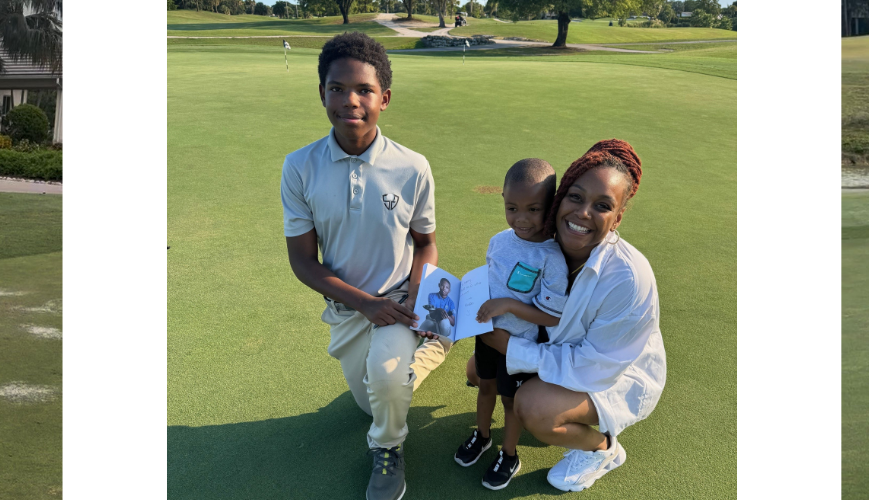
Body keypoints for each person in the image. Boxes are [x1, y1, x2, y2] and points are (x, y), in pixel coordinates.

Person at [280, 31, 451, 500]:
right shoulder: (299, 167)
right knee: (370, 402)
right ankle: (435, 345)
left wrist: (415, 296)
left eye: (364, 90)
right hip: (348, 309)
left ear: (384, 99)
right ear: (322, 93)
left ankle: (387, 449)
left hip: (397, 302)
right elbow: (302, 261)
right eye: (337, 88)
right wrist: (363, 304)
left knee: (389, 384)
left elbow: (427, 245)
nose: (350, 100)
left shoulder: (413, 166)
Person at [476, 139, 665, 492]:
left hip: (611, 374)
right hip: (560, 350)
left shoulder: (629, 278)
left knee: (532, 407)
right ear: (559, 199)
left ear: (618, 217)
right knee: (478, 371)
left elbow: (594, 366)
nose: (583, 213)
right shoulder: (537, 242)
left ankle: (602, 448)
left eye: (602, 205)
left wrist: (511, 349)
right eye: (575, 197)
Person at [455, 158, 570, 491]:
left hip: (518, 348)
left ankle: (509, 454)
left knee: (510, 402)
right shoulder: (499, 240)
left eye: (533, 210)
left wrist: (508, 306)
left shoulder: (551, 258)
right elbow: (487, 284)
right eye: (512, 208)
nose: (521, 219)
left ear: (550, 206)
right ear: (503, 199)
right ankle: (482, 435)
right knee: (485, 387)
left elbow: (553, 316)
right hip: (485, 337)